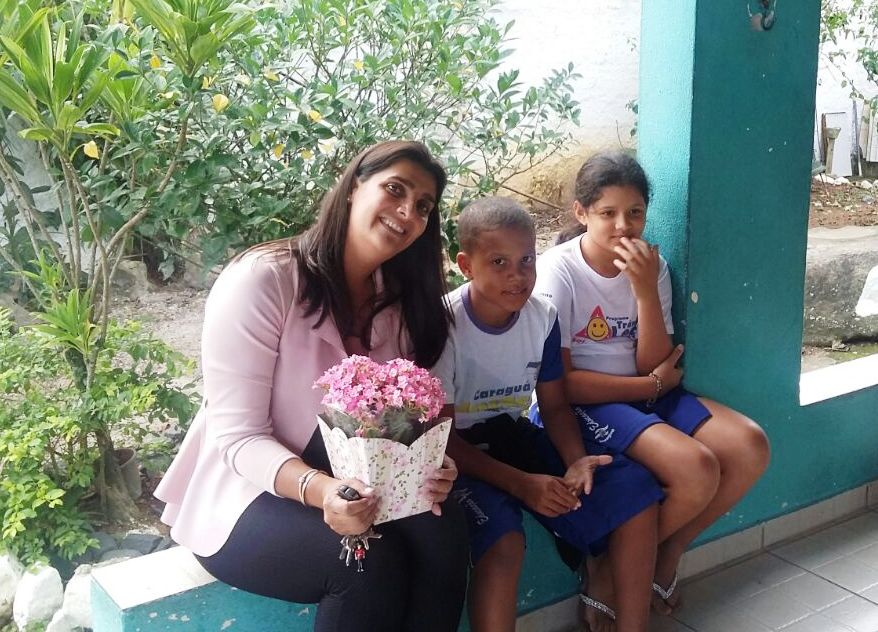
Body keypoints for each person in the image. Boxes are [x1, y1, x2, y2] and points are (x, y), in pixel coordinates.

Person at [154, 140, 469, 632]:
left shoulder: (398, 304)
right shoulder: (263, 281)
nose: (407, 212)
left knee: (444, 530)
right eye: (394, 189)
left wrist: (427, 464)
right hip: (247, 490)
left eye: (423, 206)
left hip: (353, 483)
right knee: (364, 560)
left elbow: (388, 430)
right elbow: (237, 438)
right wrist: (323, 491)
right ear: (353, 188)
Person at [530, 151, 771, 620]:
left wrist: (642, 289)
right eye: (607, 213)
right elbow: (564, 386)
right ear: (581, 213)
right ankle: (607, 570)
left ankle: (663, 555)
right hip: (592, 403)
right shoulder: (559, 271)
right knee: (697, 467)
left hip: (646, 388)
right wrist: (649, 384)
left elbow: (653, 360)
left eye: (635, 212)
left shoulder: (651, 266)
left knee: (749, 446)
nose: (624, 226)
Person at [432, 196, 665, 632]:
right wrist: (522, 485)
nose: (517, 276)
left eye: (526, 260)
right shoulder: (443, 324)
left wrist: (575, 460)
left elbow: (554, 405)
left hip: (513, 437)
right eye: (498, 262)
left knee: (634, 487)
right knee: (504, 542)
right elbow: (440, 437)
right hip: (456, 455)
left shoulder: (541, 316)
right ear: (465, 265)